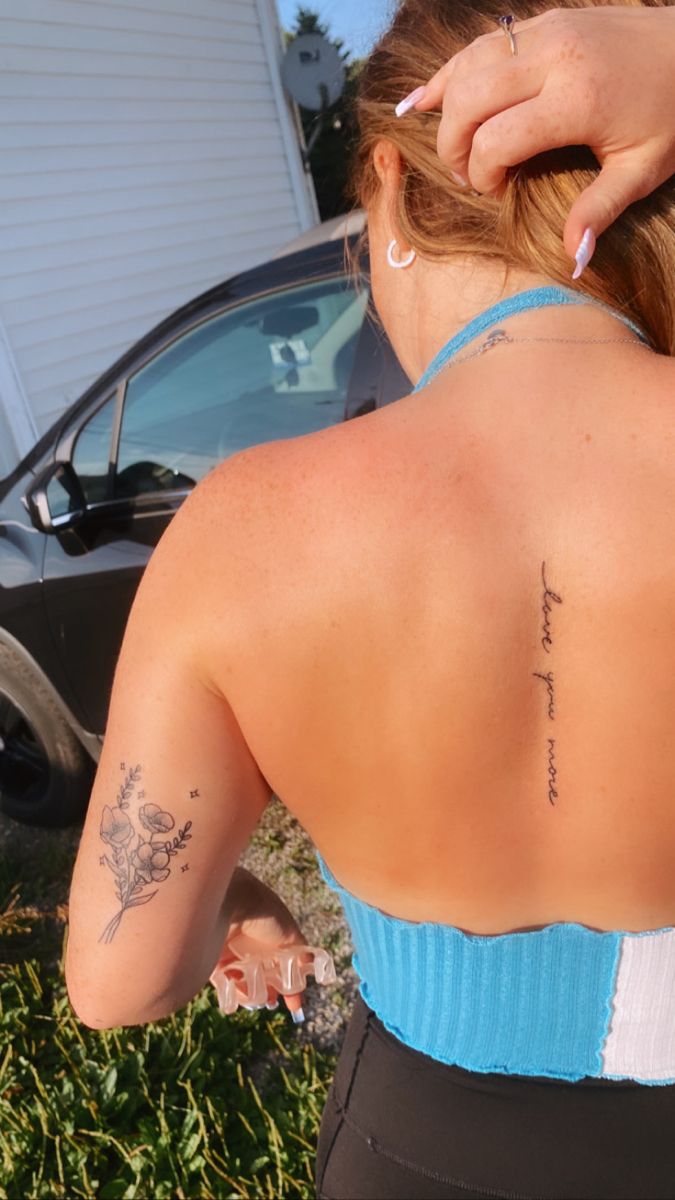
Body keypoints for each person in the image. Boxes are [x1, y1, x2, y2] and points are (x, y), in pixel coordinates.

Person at [65, 1, 675, 1197]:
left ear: (389, 188)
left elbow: (115, 978)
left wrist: (238, 895)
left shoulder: (247, 531)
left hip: (421, 1150)